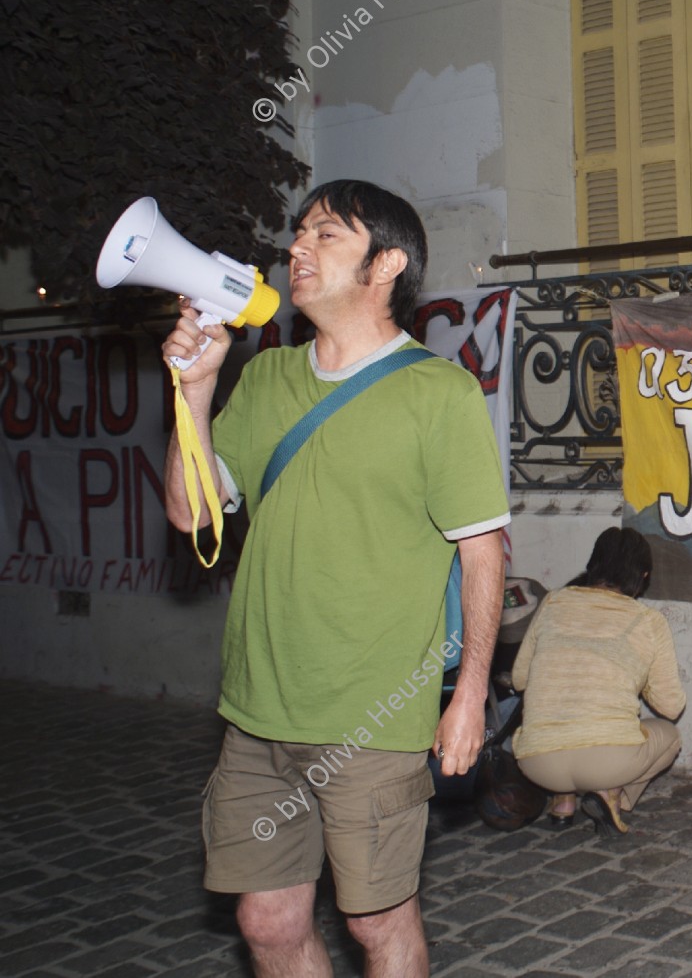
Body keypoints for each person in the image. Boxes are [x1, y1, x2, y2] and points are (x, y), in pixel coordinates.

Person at [162, 180, 509, 978]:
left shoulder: (438, 393)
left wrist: (469, 696)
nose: (297, 249)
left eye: (326, 235)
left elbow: (482, 553)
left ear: (385, 264)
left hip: (374, 719)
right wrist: (195, 388)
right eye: (299, 233)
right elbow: (191, 514)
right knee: (268, 923)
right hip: (256, 713)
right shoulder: (268, 378)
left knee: (377, 924)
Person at [512, 527, 685, 832]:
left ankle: (562, 803)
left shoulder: (553, 602)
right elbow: (671, 708)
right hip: (608, 762)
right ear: (643, 576)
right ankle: (611, 793)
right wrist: (637, 676)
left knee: (564, 710)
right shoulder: (649, 622)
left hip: (537, 763)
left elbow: (520, 678)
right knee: (670, 736)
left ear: (592, 567)